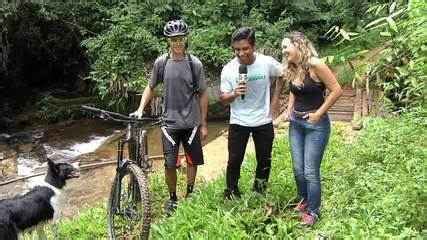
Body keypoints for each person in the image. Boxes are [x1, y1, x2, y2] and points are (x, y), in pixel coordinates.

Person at [131, 19, 208, 215]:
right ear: (168, 41)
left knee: (192, 161)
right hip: (169, 124)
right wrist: (141, 109)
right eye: (174, 39)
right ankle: (172, 198)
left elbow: (203, 94)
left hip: (191, 123)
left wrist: (204, 123)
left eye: (181, 38)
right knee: (170, 164)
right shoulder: (161, 63)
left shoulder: (194, 63)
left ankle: (190, 193)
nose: (178, 43)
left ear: (186, 39)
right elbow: (150, 87)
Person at [281, 31, 342, 225]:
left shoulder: (315, 64)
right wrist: (289, 110)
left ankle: (314, 212)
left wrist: (319, 113)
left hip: (316, 125)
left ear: (298, 45)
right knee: (298, 169)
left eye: (285, 47)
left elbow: (337, 90)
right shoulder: (293, 66)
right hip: (296, 124)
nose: (283, 51)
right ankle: (305, 200)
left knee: (309, 171)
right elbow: (294, 91)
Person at [219, 27, 282, 199]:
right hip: (238, 121)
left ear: (254, 46)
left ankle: (259, 191)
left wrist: (275, 100)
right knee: (234, 159)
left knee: (264, 159)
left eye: (245, 48)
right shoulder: (229, 69)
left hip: (263, 120)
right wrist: (234, 93)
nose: (241, 53)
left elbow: (283, 74)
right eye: (237, 50)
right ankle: (231, 191)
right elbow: (223, 98)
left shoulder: (266, 62)